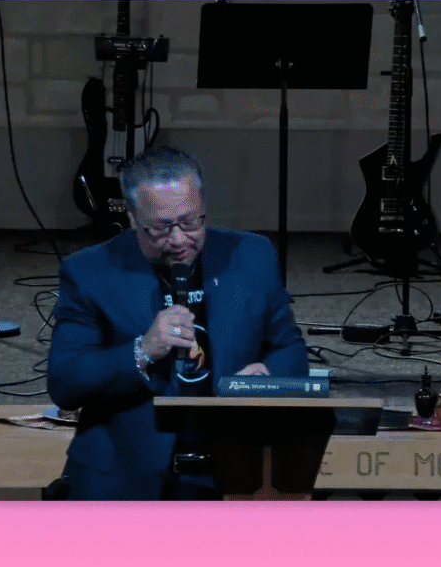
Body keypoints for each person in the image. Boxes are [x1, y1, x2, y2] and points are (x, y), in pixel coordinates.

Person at [47, 146, 310, 500]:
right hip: (126, 472)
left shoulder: (252, 255)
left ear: (203, 205)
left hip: (236, 461)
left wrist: (266, 375)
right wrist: (141, 351)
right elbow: (65, 382)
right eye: (159, 228)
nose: (178, 240)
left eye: (190, 222)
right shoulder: (89, 271)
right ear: (132, 217)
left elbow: (289, 347)